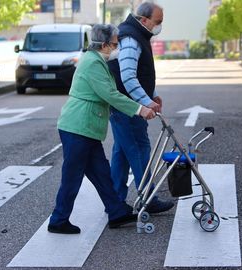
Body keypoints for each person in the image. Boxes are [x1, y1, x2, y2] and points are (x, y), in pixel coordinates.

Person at [48, 24, 156, 234]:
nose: (117, 47)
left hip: (86, 128)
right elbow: (109, 94)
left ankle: (116, 212)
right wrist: (140, 109)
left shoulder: (98, 60)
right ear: (105, 44)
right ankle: (58, 220)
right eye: (115, 44)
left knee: (101, 173)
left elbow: (110, 92)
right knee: (72, 175)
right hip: (77, 126)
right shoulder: (92, 63)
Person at [107, 2, 174, 213]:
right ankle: (148, 197)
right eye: (158, 22)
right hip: (128, 108)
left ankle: (115, 202)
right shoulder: (131, 39)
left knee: (122, 153)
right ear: (143, 20)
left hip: (125, 105)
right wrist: (145, 102)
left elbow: (139, 73)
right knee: (139, 149)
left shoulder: (136, 35)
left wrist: (152, 95)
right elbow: (127, 76)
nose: (159, 26)